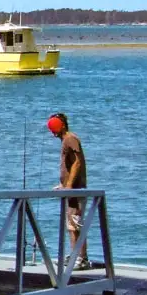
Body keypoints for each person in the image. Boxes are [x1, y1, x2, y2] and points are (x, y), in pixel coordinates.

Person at [47, 112, 89, 269]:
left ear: (62, 125)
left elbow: (77, 162)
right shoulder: (66, 140)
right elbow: (69, 165)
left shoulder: (70, 139)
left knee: (75, 224)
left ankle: (81, 258)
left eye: (55, 127)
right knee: (71, 225)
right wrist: (62, 184)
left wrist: (70, 185)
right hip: (70, 189)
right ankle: (76, 254)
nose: (53, 132)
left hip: (75, 190)